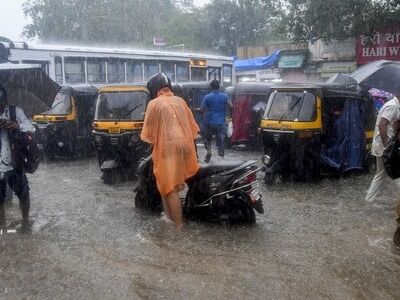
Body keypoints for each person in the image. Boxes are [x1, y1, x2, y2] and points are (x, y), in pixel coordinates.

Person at [140, 73, 200, 228]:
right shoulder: (180, 101)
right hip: (185, 146)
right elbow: (192, 126)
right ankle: (168, 217)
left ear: (154, 89)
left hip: (168, 147)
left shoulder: (154, 103)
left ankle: (178, 227)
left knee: (170, 188)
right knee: (165, 184)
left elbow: (149, 132)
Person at [365, 94, 400, 247]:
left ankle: (369, 200)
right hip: (386, 148)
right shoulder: (393, 106)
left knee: (381, 175)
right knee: (395, 174)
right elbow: (382, 125)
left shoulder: (393, 105)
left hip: (386, 148)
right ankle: (370, 200)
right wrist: (387, 144)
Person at [0, 84, 35, 227]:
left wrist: (17, 126)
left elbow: (31, 128)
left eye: (1, 102)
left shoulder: (16, 112)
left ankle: (25, 222)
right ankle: (2, 229)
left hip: (15, 162)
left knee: (24, 194)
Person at [201, 79, 233, 163]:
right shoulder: (225, 96)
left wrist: (200, 111)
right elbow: (231, 106)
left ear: (211, 87)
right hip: (221, 122)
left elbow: (202, 109)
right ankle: (220, 157)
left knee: (208, 139)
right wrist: (229, 115)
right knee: (221, 139)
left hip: (209, 121)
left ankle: (209, 153)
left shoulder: (207, 97)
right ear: (219, 86)